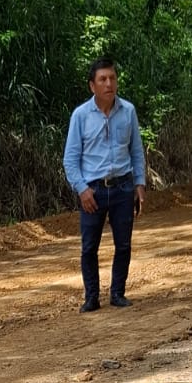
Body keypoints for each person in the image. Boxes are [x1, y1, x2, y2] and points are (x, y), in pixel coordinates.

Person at [63, 58, 147, 311]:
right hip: (93, 190)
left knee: (124, 244)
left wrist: (139, 184)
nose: (109, 83)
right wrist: (82, 190)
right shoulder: (80, 116)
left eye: (112, 78)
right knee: (89, 247)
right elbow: (70, 159)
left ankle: (117, 293)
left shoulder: (128, 111)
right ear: (92, 86)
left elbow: (136, 151)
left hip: (123, 186)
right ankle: (91, 297)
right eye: (103, 79)